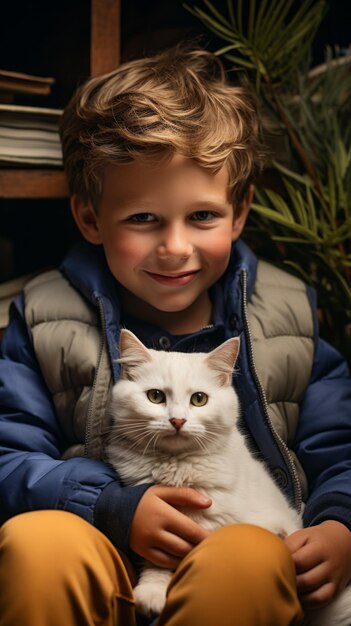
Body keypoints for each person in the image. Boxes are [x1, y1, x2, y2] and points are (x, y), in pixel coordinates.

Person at [0, 43, 350, 626]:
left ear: (239, 212)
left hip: (244, 548)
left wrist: (341, 521)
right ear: (90, 218)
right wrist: (108, 503)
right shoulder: (44, 316)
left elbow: (341, 446)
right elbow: (8, 456)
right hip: (102, 546)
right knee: (38, 547)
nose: (176, 247)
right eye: (143, 218)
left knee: (250, 559)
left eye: (203, 216)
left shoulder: (287, 313)